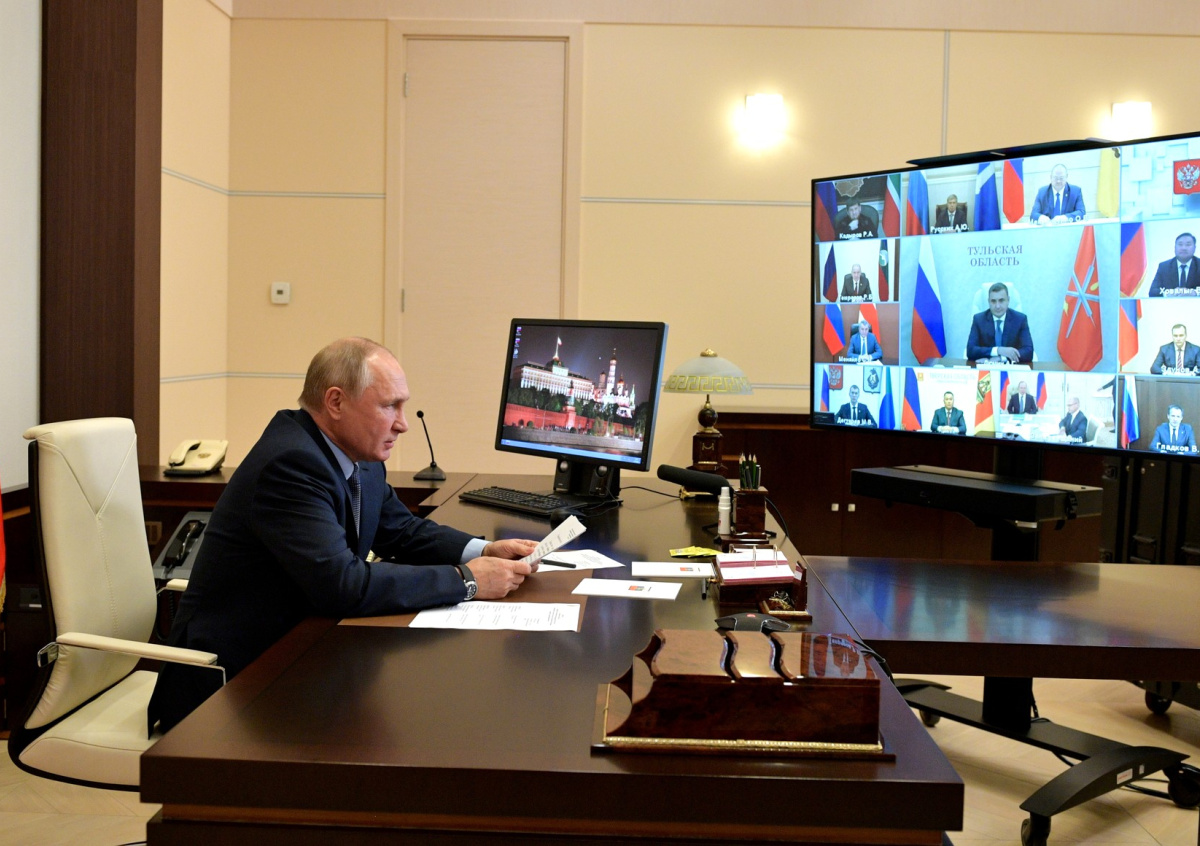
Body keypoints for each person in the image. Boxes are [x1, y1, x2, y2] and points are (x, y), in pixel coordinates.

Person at [148, 337, 541, 732]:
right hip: (231, 688)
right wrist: (467, 580)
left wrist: (484, 550)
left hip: (299, 656)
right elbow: (343, 584)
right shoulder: (290, 464)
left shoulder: (357, 456)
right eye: (389, 406)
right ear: (335, 402)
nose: (402, 423)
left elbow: (401, 530)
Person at [966, 283, 1035, 363]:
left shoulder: (1020, 319)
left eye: (1001, 300)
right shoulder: (979, 319)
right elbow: (970, 350)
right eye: (993, 301)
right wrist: (998, 350)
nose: (997, 306)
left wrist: (1002, 358)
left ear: (1008, 300)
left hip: (1011, 368)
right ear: (988, 302)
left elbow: (1028, 351)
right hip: (986, 368)